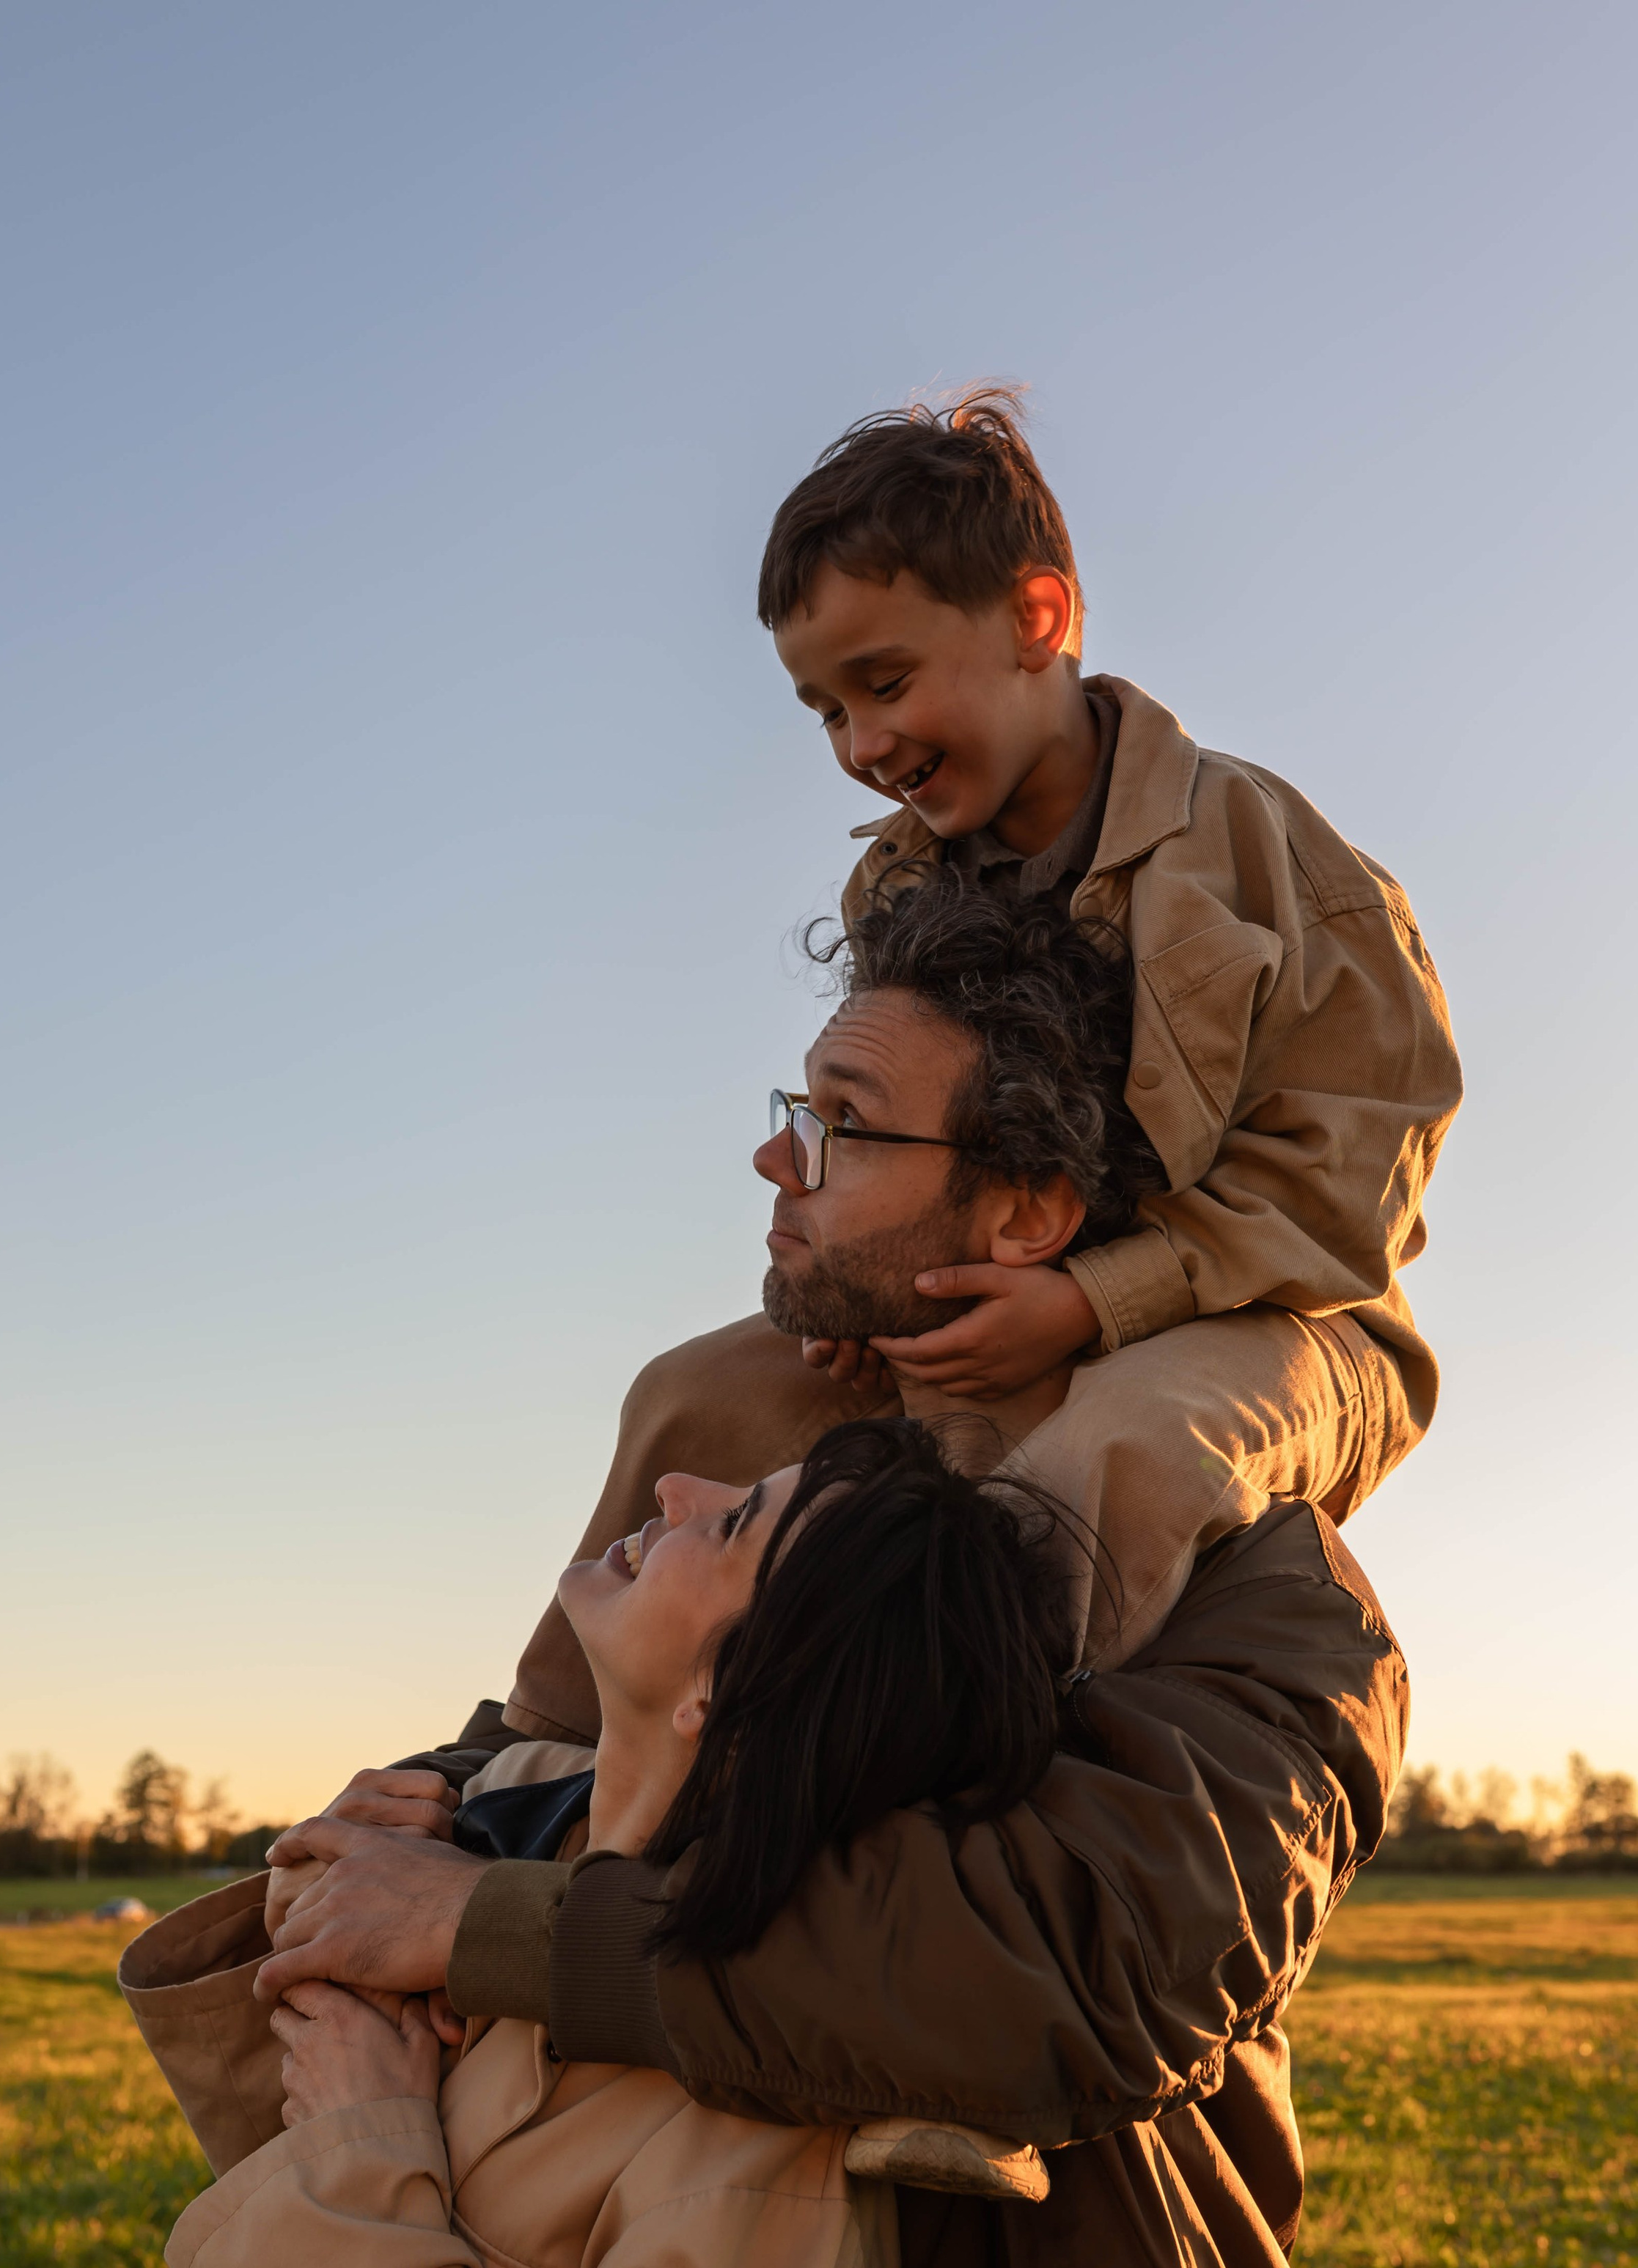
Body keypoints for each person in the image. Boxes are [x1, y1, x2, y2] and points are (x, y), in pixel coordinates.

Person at [254, 910, 1414, 2268]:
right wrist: (401, 1818)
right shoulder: (752, 1456)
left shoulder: (1265, 1581)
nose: (779, 1158)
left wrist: (492, 1927)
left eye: (846, 1120)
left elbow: (1053, 1967)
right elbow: (535, 1751)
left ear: (1032, 1210)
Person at [122, 1418, 1068, 2268]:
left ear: (732, 1695)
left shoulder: (766, 2135)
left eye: (735, 1525)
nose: (675, 1488)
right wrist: (312, 1914)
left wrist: (362, 2156)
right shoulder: (488, 1880)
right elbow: (314, 2195)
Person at [498, 388, 1461, 1746]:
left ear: (1040, 621)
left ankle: (949, 1778)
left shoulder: (1277, 867)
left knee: (1114, 1446)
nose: (861, 745)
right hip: (985, 1305)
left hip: (1281, 1329)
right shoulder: (890, 888)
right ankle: (526, 1770)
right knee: (697, 1395)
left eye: (884, 684)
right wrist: (866, 1277)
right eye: (824, 710)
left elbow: (1347, 1201)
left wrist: (1090, 1300)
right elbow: (885, 1138)